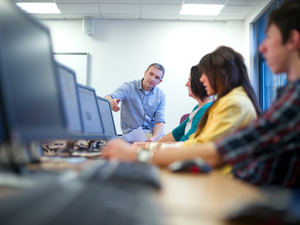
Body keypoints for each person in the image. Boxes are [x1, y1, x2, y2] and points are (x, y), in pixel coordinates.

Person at [103, 1, 300, 188]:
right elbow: (195, 143)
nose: (200, 80)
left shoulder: (237, 103)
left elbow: (211, 153)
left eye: (270, 37)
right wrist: (144, 148)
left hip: (231, 185)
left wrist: (141, 153)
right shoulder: (282, 96)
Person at [105, 63, 166, 142]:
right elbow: (108, 97)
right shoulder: (128, 87)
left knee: (171, 143)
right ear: (145, 73)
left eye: (157, 77)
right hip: (132, 134)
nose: (152, 79)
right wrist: (111, 101)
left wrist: (154, 138)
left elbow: (159, 121)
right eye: (151, 74)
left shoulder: (161, 95)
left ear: (160, 81)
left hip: (151, 133)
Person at [157, 65, 212, 143]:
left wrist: (152, 148)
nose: (186, 84)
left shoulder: (206, 109)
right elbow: (176, 133)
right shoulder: (198, 107)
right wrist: (152, 146)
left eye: (189, 80)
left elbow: (185, 142)